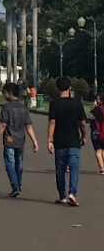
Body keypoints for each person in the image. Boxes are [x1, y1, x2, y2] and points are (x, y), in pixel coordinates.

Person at [0, 82, 39, 196]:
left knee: (10, 163)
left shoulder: (6, 107)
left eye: (5, 93)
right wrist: (34, 141)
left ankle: (14, 185)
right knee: (19, 163)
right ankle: (18, 183)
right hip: (20, 139)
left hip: (9, 138)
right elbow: (28, 126)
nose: (4, 95)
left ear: (10, 93)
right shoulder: (24, 108)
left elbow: (3, 124)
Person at [48, 75, 87, 206]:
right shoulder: (77, 103)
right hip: (74, 140)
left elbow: (52, 122)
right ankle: (72, 193)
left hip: (59, 141)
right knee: (74, 168)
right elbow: (82, 123)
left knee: (60, 169)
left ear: (57, 88)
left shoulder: (54, 103)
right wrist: (83, 136)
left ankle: (62, 196)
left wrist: (49, 140)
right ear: (70, 88)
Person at [87, 94, 104, 174]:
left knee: (98, 150)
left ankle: (102, 169)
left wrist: (93, 108)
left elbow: (89, 117)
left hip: (96, 130)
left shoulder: (97, 109)